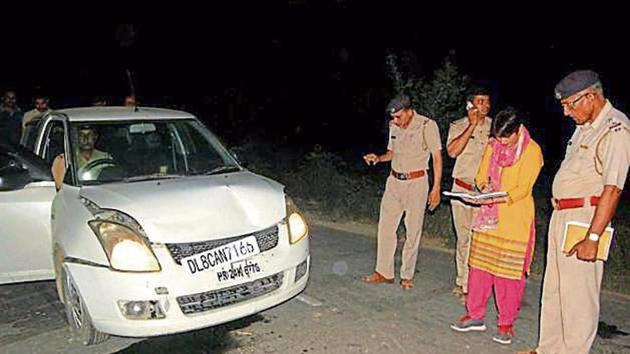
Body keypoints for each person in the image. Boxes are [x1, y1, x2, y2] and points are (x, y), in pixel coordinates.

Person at [519, 70, 630, 354]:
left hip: (585, 218)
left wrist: (593, 237)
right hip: (563, 215)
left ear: (590, 96)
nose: (566, 113)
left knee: (579, 296)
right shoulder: (587, 125)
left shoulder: (616, 129)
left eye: (570, 105)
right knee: (555, 289)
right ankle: (549, 349)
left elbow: (613, 189)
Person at [450, 108, 543, 345]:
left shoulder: (532, 151)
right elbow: (481, 175)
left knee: (508, 275)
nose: (501, 142)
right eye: (498, 136)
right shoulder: (492, 146)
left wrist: (500, 197)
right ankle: (475, 315)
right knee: (479, 268)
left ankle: (505, 324)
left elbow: (523, 188)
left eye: (506, 138)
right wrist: (484, 189)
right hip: (488, 216)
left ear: (517, 130)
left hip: (514, 218)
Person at [362, 94, 442, 290]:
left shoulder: (426, 126)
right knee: (385, 227)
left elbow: (437, 158)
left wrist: (436, 188)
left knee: (413, 230)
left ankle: (407, 275)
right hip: (394, 181)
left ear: (408, 111)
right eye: (393, 117)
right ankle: (384, 272)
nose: (395, 121)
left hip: (416, 183)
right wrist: (378, 158)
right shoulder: (394, 126)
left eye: (398, 116)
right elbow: (392, 153)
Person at [446, 87, 493, 304]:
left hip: (482, 194)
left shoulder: (495, 128)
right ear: (470, 105)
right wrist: (472, 125)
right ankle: (461, 280)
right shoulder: (458, 126)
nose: (485, 106)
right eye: (480, 101)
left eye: (487, 102)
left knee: (478, 240)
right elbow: (453, 151)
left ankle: (473, 286)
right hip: (461, 190)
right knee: (463, 238)